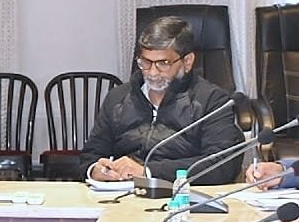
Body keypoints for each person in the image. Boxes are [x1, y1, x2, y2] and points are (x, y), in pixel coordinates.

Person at [82, 16, 244, 184]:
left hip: (180, 193)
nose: (152, 72)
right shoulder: (118, 98)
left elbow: (222, 165)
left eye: (163, 63)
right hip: (119, 193)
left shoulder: (212, 101)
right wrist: (95, 170)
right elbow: (90, 156)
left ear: (187, 62)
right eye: (146, 62)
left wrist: (148, 172)